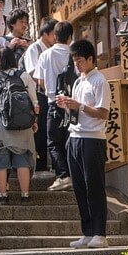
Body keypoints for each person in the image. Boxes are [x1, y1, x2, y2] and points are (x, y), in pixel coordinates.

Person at [55, 39, 111, 249]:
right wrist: (67, 105)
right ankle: (87, 232)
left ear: (90, 59)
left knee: (94, 186)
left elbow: (103, 113)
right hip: (75, 137)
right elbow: (78, 111)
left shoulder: (99, 80)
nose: (76, 65)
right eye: (74, 61)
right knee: (79, 188)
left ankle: (100, 233)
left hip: (93, 139)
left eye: (79, 61)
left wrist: (79, 105)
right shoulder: (79, 81)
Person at [0, 45, 38, 204]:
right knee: (22, 161)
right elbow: (34, 101)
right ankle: (25, 195)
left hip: (1, 125)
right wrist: (34, 121)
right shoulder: (24, 76)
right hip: (23, 124)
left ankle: (3, 196)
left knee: (1, 161)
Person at [33, 20, 74, 190]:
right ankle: (72, 174)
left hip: (54, 102)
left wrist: (50, 89)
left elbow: (40, 80)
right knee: (70, 140)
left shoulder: (45, 55)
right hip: (73, 103)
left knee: (54, 142)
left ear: (55, 36)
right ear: (70, 37)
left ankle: (63, 175)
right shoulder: (73, 53)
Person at [21, 19, 57, 172]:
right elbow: (32, 73)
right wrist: (48, 87)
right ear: (46, 33)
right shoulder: (34, 48)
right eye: (54, 34)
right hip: (38, 95)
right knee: (40, 131)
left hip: (49, 94)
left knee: (51, 131)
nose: (56, 37)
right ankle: (40, 167)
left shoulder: (52, 50)